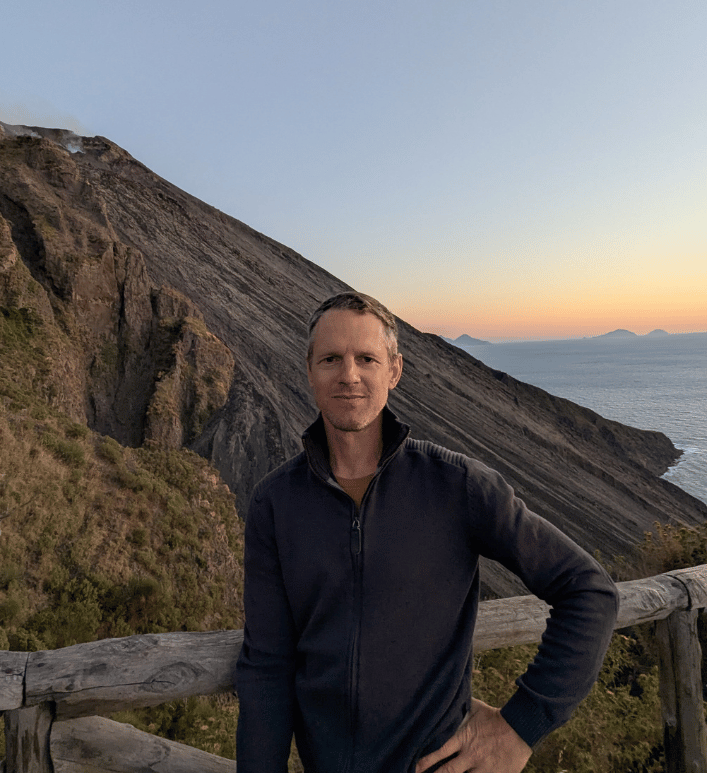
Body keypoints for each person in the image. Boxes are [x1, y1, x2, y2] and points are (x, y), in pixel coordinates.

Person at [235, 292, 619, 773]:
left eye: (366, 359)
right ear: (310, 370)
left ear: (393, 371)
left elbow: (589, 590)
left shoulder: (457, 486)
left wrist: (521, 726)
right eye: (331, 358)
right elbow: (267, 668)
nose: (349, 374)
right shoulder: (276, 504)